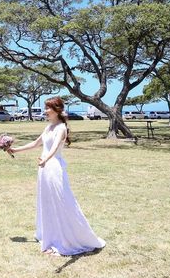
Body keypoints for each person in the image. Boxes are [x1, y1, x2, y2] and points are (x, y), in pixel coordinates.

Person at [9, 96, 105, 256]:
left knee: (61, 201)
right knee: (47, 202)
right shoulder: (48, 127)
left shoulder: (61, 128)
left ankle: (67, 240)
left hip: (53, 167)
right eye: (46, 107)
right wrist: (15, 150)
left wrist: (45, 159)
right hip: (44, 168)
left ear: (57, 110)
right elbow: (35, 144)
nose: (45, 111)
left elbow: (54, 148)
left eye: (48, 108)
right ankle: (52, 237)